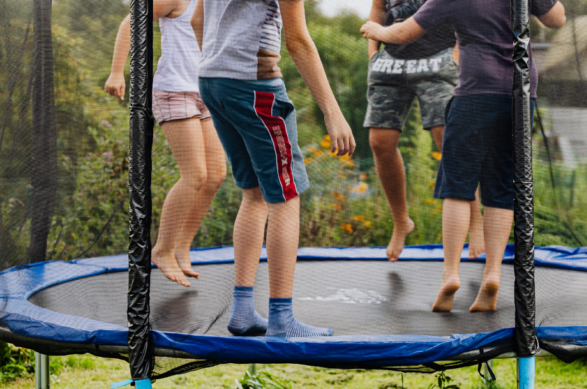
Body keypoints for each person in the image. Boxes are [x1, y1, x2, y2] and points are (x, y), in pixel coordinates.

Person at [361, 0, 566, 312]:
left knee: (457, 186)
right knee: (501, 187)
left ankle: (451, 274)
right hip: (520, 96)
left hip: (474, 93)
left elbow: (404, 32)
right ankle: (493, 273)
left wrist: (376, 30)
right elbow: (557, 19)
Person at [192, 0, 355, 337]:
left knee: (254, 194)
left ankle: (241, 311)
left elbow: (196, 20)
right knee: (286, 194)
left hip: (211, 80)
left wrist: (221, 64)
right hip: (254, 86)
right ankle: (282, 318)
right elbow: (298, 41)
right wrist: (332, 112)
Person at [105, 0, 226, 288]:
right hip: (175, 91)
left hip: (207, 90)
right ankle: (162, 249)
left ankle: (182, 245)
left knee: (216, 174)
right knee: (195, 174)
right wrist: (116, 72)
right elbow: (131, 22)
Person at [365, 0, 485, 262]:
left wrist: (456, 54)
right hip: (391, 62)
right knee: (380, 142)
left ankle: (476, 221)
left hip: (438, 58)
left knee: (449, 140)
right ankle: (401, 222)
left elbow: (465, 10)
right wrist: (373, 53)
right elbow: (377, 8)